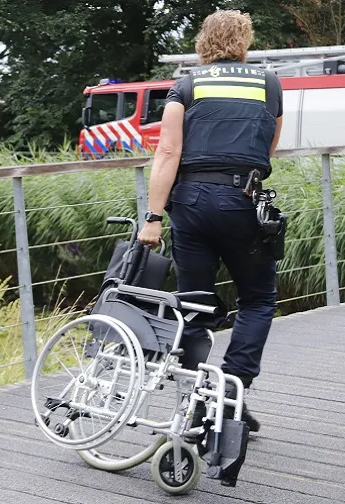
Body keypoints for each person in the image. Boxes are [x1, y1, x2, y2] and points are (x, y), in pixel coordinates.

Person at [136, 9, 283, 450]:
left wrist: (153, 217)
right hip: (243, 201)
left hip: (192, 203)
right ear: (245, 40)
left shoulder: (187, 85)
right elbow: (268, 149)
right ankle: (231, 393)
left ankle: (199, 397)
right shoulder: (268, 84)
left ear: (204, 41)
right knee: (258, 300)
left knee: (193, 304)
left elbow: (167, 152)